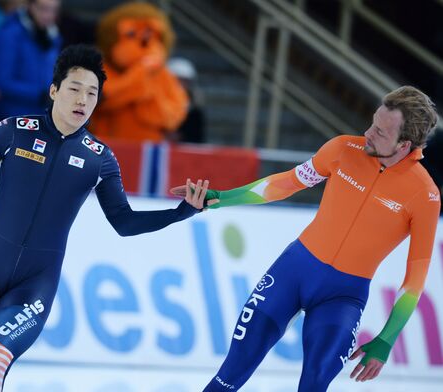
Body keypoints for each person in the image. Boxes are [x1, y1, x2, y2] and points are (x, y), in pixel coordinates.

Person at [0, 44, 210, 391]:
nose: (83, 100)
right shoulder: (13, 131)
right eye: (75, 89)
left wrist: (182, 212)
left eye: (92, 93)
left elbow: (123, 222)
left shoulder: (100, 159)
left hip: (33, 286)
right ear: (54, 91)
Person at [172, 85, 440, 391]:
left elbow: (415, 278)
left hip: (342, 296)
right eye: (372, 121)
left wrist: (386, 340)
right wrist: (219, 197)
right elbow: (285, 184)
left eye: (380, 131)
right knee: (230, 374)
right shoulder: (342, 150)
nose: (367, 132)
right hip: (293, 271)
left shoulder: (424, 195)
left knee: (314, 384)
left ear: (404, 144)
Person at [0, 0, 62, 124]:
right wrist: (39, 95)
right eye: (43, 9)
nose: (48, 15)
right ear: (30, 6)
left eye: (53, 10)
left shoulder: (53, 36)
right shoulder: (9, 35)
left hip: (42, 118)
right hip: (11, 119)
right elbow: (1, 82)